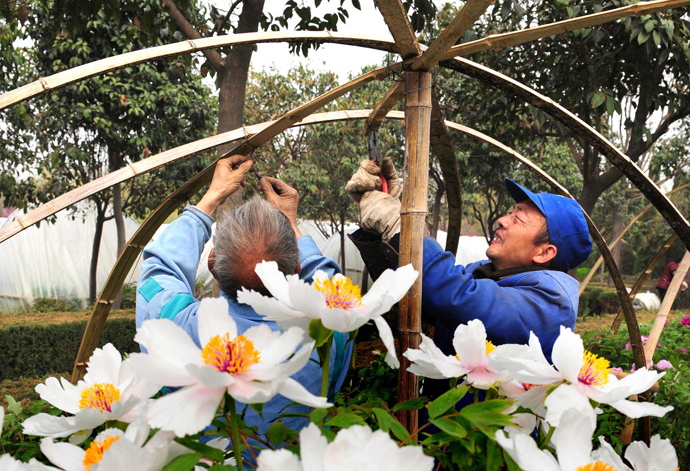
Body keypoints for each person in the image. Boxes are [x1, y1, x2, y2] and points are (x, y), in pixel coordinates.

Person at [136, 155, 352, 442]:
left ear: (212, 264)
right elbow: (329, 284)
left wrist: (211, 198)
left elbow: (159, 271)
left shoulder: (175, 326)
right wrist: (291, 223)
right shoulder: (327, 332)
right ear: (297, 270)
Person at [346, 158, 593, 362]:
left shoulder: (552, 302)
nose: (502, 220)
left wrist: (403, 227)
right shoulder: (485, 274)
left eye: (518, 219)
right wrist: (382, 230)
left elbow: (458, 298)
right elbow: (414, 294)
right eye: (510, 212)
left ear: (544, 253)